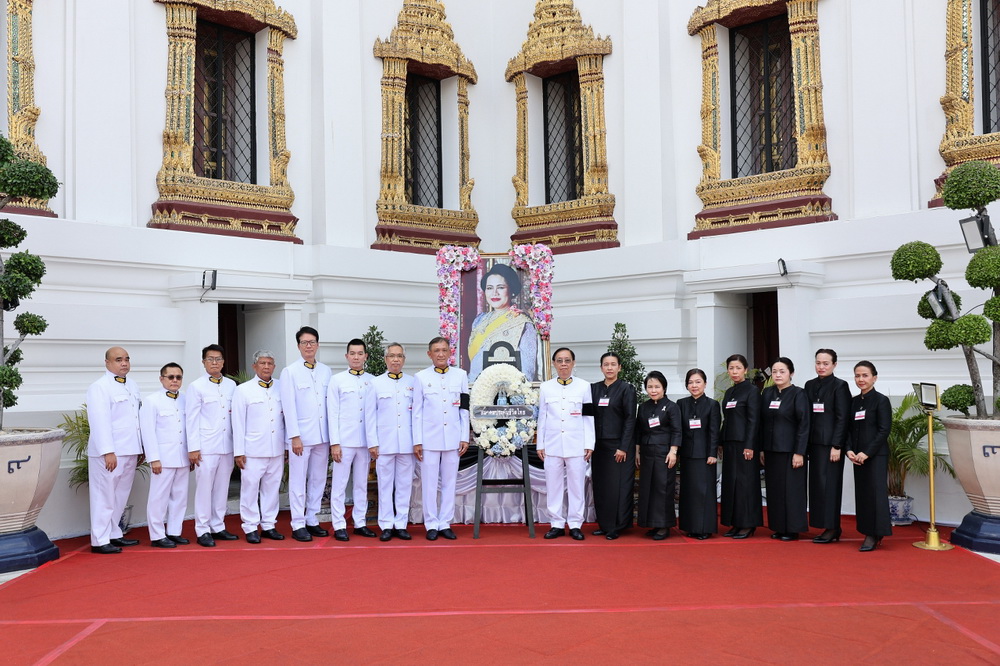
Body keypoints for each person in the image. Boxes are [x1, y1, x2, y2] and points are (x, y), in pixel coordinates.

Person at [412, 337, 470, 541]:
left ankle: (445, 522)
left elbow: (464, 408)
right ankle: (431, 523)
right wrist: (417, 441)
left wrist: (464, 436)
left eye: (444, 350)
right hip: (429, 439)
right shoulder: (420, 377)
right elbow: (416, 412)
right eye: (436, 350)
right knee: (429, 484)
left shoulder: (460, 375)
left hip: (453, 438)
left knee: (450, 482)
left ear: (450, 352)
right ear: (430, 354)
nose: (441, 354)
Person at [85, 346, 142, 554]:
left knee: (120, 495)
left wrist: (140, 447)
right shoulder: (99, 387)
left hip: (130, 449)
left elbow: (136, 418)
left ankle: (114, 533)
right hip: (111, 452)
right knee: (104, 496)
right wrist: (108, 451)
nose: (124, 363)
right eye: (118, 359)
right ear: (107, 363)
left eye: (127, 359)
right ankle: (99, 539)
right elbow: (99, 421)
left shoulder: (132, 385)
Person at [279, 326, 332, 542]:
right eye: (304, 342)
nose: (308, 346)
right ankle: (298, 523)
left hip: (323, 436)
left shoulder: (326, 371)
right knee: (298, 481)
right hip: (301, 437)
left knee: (318, 479)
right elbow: (288, 406)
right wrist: (294, 436)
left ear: (317, 345)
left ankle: (312, 518)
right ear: (298, 346)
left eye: (312, 342)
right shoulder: (290, 371)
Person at [537, 347, 594, 541]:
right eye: (560, 361)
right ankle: (556, 524)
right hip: (552, 444)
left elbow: (588, 417)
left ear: (573, 363)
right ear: (554, 364)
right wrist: (540, 444)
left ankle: (576, 524)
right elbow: (542, 417)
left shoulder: (584, 387)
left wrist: (589, 443)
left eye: (567, 360)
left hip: (576, 444)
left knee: (577, 486)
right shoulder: (546, 387)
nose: (563, 364)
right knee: (553, 486)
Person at [186, 344, 238, 547]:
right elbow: (191, 419)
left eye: (218, 359)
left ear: (223, 362)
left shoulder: (231, 385)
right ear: (203, 362)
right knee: (204, 489)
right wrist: (193, 448)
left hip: (227, 445)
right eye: (210, 359)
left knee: (222, 488)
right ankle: (202, 529)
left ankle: (218, 525)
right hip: (206, 447)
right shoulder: (196, 386)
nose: (214, 363)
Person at [232, 350, 285, 543]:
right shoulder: (243, 390)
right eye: (262, 363)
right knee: (250, 489)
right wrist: (239, 451)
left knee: (272, 489)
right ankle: (250, 526)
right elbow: (238, 422)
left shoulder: (281, 387)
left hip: (276, 448)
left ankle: (269, 525)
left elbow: (286, 418)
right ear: (254, 366)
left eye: (270, 363)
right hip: (252, 450)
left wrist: (287, 446)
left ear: (274, 366)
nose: (266, 367)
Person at [365, 343, 416, 541]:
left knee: (404, 485)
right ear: (385, 359)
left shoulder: (413, 382)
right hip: (384, 444)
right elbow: (370, 416)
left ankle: (401, 524)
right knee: (385, 486)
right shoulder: (376, 383)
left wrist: (417, 442)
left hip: (407, 444)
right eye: (392, 356)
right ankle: (386, 524)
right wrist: (372, 443)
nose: (396, 359)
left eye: (399, 356)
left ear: (404, 359)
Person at [327, 338, 377, 541]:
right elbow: (332, 413)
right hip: (344, 441)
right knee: (339, 485)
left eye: (360, 353)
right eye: (353, 353)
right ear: (346, 356)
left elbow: (374, 414)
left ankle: (360, 522)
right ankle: (339, 524)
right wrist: (335, 443)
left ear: (366, 356)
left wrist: (374, 442)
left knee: (361, 484)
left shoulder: (373, 381)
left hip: (365, 442)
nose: (356, 357)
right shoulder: (337, 380)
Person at [759, 357, 810, 541]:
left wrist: (799, 452)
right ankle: (779, 526)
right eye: (774, 372)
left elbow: (804, 424)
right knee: (775, 490)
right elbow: (762, 423)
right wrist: (762, 449)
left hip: (791, 451)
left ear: (791, 373)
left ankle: (792, 528)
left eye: (782, 371)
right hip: (771, 450)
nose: (778, 375)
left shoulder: (798, 394)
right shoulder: (767, 393)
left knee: (792, 490)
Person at [804, 348, 851, 544]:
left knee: (830, 486)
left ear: (834, 365)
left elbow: (843, 418)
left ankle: (833, 528)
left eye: (825, 363)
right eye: (818, 363)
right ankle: (823, 525)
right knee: (817, 487)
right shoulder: (809, 385)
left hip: (831, 446)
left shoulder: (840, 386)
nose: (821, 367)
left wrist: (837, 445)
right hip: (814, 444)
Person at [140, 362, 189, 549]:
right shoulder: (152, 401)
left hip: (182, 457)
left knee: (180, 497)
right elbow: (148, 431)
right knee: (158, 498)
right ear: (162, 379)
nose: (175, 380)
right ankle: (157, 535)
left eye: (178, 377)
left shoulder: (186, 399)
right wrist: (154, 458)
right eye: (171, 377)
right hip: (163, 458)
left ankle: (174, 531)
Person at [590, 352, 637, 540]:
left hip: (619, 447)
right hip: (598, 446)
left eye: (613, 364)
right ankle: (604, 524)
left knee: (616, 487)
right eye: (606, 364)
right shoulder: (594, 389)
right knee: (601, 486)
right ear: (601, 367)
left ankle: (616, 526)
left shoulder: (626, 389)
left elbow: (630, 419)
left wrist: (623, 447)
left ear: (619, 367)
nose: (609, 368)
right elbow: (586, 415)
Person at [847, 361, 893, 552]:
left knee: (875, 494)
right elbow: (849, 429)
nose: (861, 379)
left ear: (874, 378)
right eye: (857, 375)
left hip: (875, 456)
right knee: (863, 495)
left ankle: (875, 533)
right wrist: (849, 449)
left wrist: (867, 452)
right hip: (857, 457)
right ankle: (867, 530)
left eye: (865, 375)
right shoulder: (854, 401)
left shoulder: (881, 401)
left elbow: (884, 430)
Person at [467, 263, 538, 382]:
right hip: (474, 387)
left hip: (507, 389)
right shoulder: (479, 320)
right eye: (489, 288)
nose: (494, 293)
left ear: (511, 290)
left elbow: (527, 371)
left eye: (500, 287)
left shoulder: (522, 323)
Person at [719, 354, 762, 539]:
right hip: (730, 443)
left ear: (745, 369)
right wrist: (720, 442)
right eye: (731, 368)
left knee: (746, 483)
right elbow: (726, 419)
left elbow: (754, 420)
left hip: (745, 445)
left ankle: (748, 524)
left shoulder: (752, 391)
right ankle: (736, 522)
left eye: (738, 368)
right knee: (732, 483)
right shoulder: (729, 392)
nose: (734, 371)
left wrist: (750, 445)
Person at [635, 371, 681, 540]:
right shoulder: (643, 407)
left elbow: (677, 430)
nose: (653, 390)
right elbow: (638, 430)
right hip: (647, 452)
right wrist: (637, 451)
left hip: (664, 453)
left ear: (664, 388)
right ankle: (651, 522)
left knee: (662, 488)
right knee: (648, 487)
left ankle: (664, 525)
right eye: (650, 387)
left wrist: (673, 451)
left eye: (657, 387)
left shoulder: (671, 407)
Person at [677, 368, 721, 540]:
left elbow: (714, 431)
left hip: (705, 456)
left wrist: (712, 453)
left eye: (698, 382)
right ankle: (690, 526)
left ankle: (704, 528)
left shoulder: (712, 404)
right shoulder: (681, 404)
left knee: (704, 492)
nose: (694, 385)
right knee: (689, 492)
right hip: (687, 455)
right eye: (690, 382)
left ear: (705, 384)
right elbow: (678, 430)